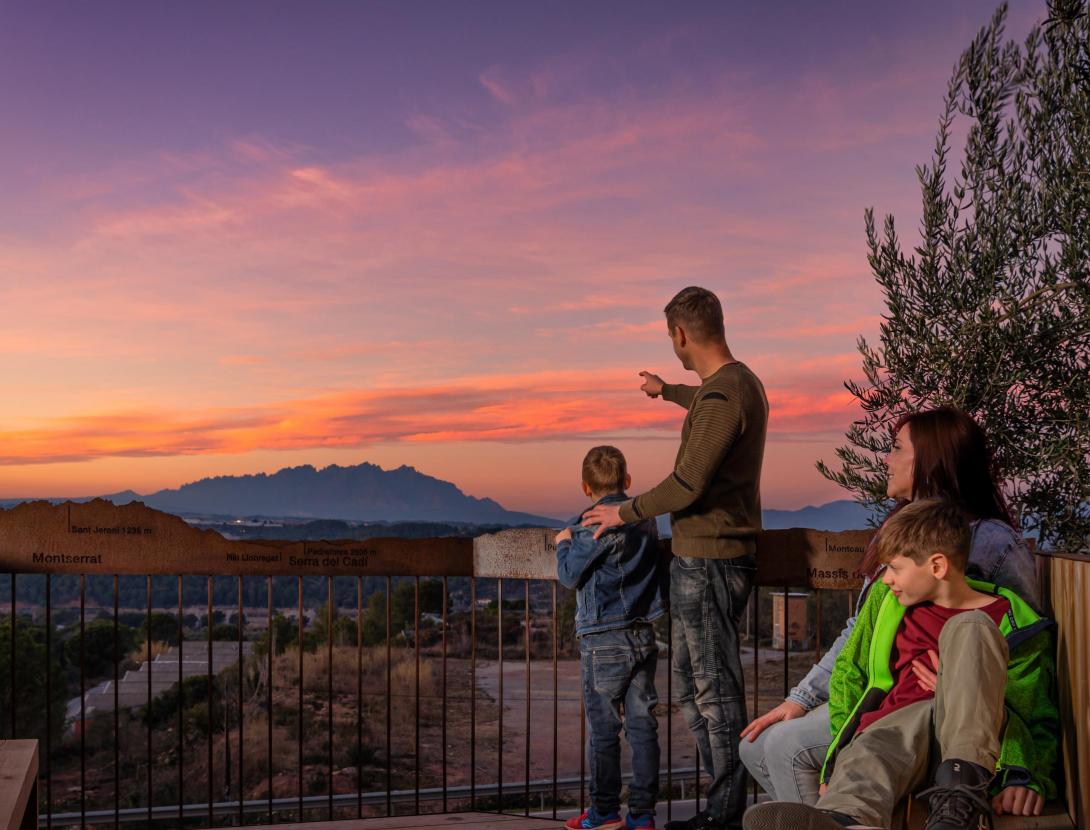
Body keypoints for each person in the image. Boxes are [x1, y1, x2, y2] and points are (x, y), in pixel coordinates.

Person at [738, 407, 1041, 807]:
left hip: (928, 709)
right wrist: (801, 698)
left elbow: (1021, 642)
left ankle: (838, 815)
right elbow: (859, 629)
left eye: (897, 448)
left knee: (785, 747)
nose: (885, 458)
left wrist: (966, 689)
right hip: (881, 692)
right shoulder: (899, 533)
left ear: (932, 461)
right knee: (753, 746)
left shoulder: (992, 543)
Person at [742, 498, 1058, 830]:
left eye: (895, 568)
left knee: (971, 627)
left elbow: (1036, 715)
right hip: (894, 736)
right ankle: (844, 818)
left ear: (936, 566)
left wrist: (1025, 778)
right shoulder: (887, 603)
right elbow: (849, 675)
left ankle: (957, 797)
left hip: (970, 748)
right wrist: (833, 760)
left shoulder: (1012, 621)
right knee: (871, 747)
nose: (887, 579)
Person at [583, 286, 768, 830]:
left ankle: (726, 816)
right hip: (706, 560)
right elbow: (706, 404)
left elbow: (687, 483)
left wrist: (625, 512)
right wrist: (668, 392)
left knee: (713, 692)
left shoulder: (723, 396)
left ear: (681, 335)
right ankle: (719, 809)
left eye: (672, 338)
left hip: (710, 561)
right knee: (692, 686)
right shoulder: (736, 386)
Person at [556, 446, 667, 830]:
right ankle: (643, 815)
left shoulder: (591, 524)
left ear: (586, 486)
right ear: (628, 481)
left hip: (604, 637)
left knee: (604, 729)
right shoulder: (645, 519)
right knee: (642, 726)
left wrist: (563, 542)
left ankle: (604, 812)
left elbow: (571, 575)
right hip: (642, 632)